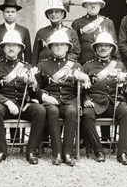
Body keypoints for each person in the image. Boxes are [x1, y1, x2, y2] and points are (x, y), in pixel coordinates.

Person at [0, 30, 44, 165]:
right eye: (8, 45)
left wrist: (33, 84)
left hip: (23, 104)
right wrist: (7, 102)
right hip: (5, 105)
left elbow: (36, 94)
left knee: (40, 110)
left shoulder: (27, 67)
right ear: (3, 48)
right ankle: (1, 151)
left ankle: (31, 151)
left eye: (14, 45)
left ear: (20, 48)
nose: (11, 48)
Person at [37, 31, 89, 166]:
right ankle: (57, 153)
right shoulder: (43, 65)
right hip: (50, 101)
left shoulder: (76, 66)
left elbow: (82, 91)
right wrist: (44, 96)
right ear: (51, 47)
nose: (59, 47)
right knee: (53, 112)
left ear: (67, 47)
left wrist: (83, 82)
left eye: (62, 45)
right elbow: (36, 87)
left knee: (72, 111)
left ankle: (67, 153)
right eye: (56, 45)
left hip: (69, 101)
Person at [81, 32, 127, 165]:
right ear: (96, 49)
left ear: (111, 49)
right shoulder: (87, 66)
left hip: (114, 102)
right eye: (100, 46)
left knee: (126, 113)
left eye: (106, 46)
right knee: (86, 115)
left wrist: (124, 82)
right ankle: (99, 151)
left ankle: (122, 153)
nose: (103, 48)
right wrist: (85, 99)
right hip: (95, 102)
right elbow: (81, 88)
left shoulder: (119, 65)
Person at [71, 0, 117, 64]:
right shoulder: (77, 24)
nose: (93, 6)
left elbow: (113, 45)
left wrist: (116, 61)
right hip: (85, 63)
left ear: (100, 5)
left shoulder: (108, 22)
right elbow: (74, 48)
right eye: (90, 4)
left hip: (104, 64)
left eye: (96, 3)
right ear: (85, 5)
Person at [32, 0, 81, 65]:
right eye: (51, 12)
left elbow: (75, 53)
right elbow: (35, 55)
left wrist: (63, 62)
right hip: (44, 68)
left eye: (57, 11)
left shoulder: (71, 32)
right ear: (47, 15)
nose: (53, 14)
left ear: (62, 14)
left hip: (63, 69)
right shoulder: (41, 32)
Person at [0, 0, 32, 67]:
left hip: (18, 67)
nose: (10, 14)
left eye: (12, 12)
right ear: (3, 13)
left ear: (16, 13)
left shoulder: (24, 31)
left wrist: (27, 68)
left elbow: (28, 54)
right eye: (7, 12)